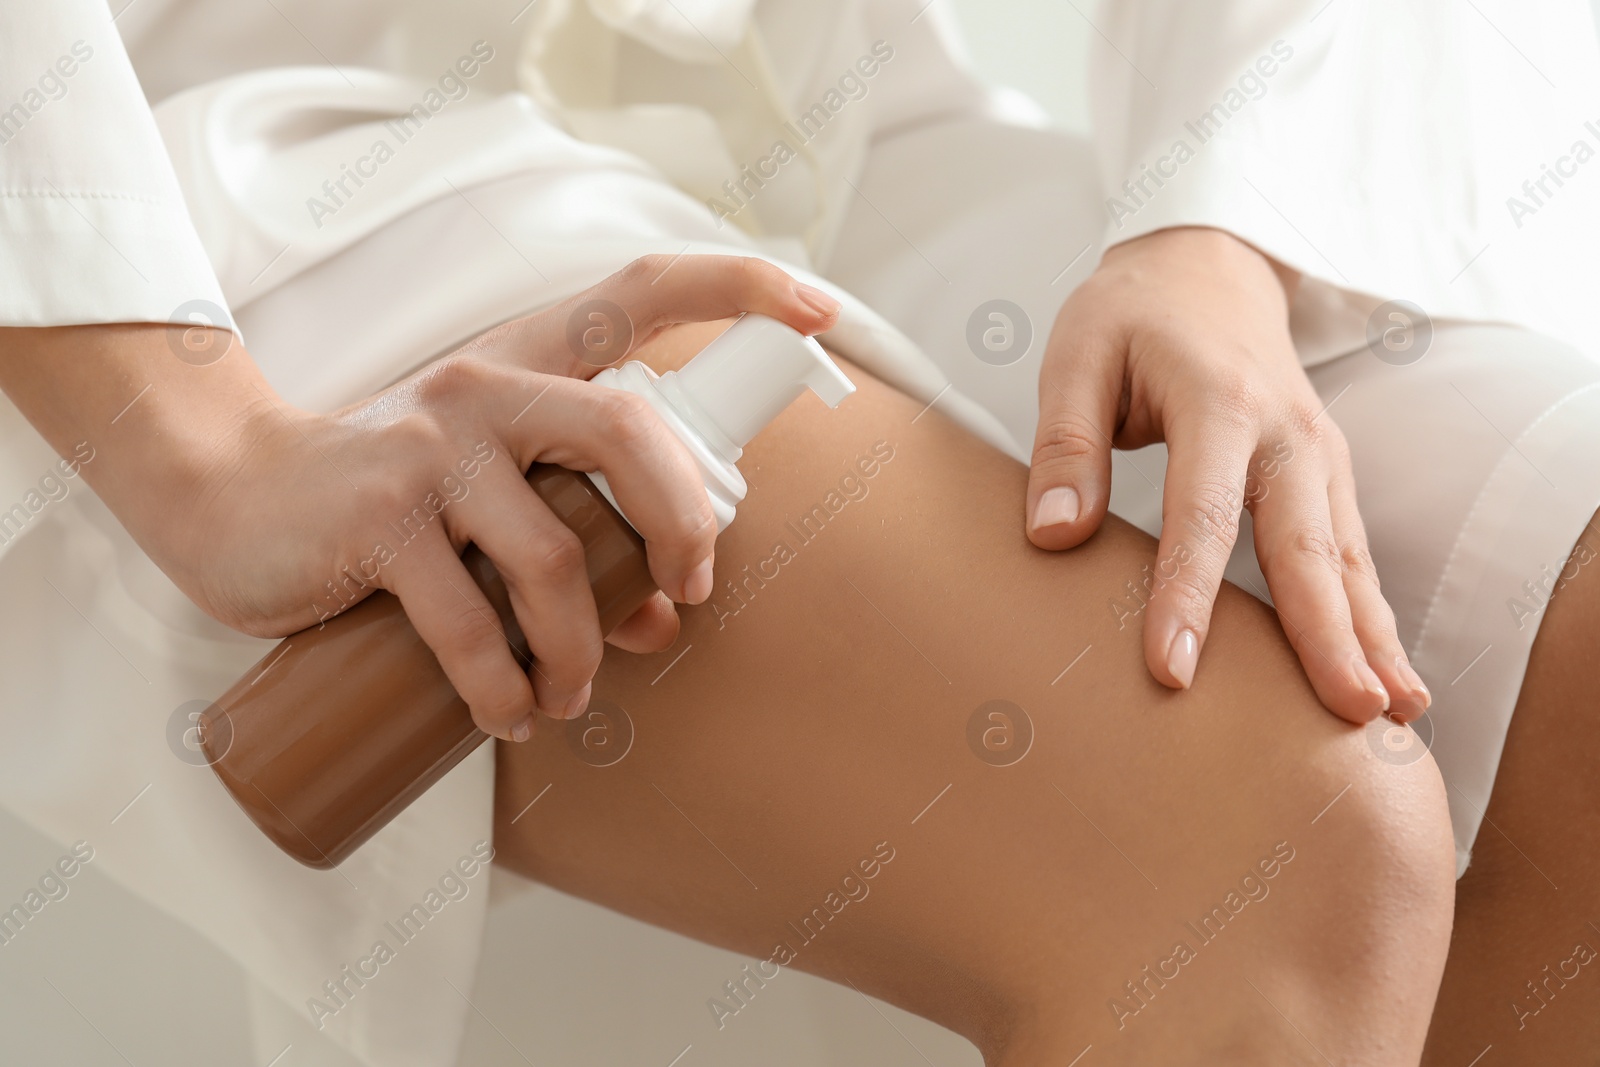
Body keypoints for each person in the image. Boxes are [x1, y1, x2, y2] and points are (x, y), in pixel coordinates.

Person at [2, 0, 1599, 1063]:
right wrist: (200, 437)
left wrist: (1224, 233)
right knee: (1274, 846)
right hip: (176, 187)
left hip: (830, 116)